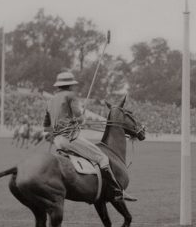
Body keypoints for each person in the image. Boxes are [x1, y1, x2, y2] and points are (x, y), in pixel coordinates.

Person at [43, 71, 135, 202]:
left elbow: (46, 127)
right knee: (102, 157)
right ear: (69, 85)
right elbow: (80, 119)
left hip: (58, 142)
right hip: (71, 139)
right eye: (72, 85)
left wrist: (66, 125)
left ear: (58, 86)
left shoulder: (50, 101)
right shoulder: (70, 96)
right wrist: (80, 118)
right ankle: (117, 191)